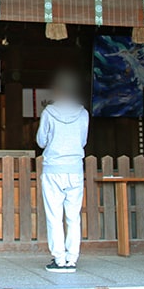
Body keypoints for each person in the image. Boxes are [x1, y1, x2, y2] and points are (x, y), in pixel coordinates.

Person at [36, 71, 89, 273]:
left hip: (53, 169)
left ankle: (58, 259)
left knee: (54, 215)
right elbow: (83, 141)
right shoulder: (83, 114)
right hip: (75, 169)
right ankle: (72, 258)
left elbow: (41, 140)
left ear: (57, 91)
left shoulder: (49, 112)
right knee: (73, 216)